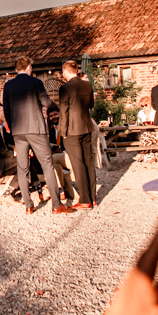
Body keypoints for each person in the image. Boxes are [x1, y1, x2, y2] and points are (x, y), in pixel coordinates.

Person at [2, 55, 76, 215]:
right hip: (36, 129)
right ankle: (56, 205)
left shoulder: (8, 85)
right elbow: (47, 103)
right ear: (29, 68)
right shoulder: (36, 82)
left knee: (22, 168)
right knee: (48, 164)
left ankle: (29, 205)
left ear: (16, 70)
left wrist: (14, 125)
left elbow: (6, 111)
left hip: (19, 131)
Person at [58, 59, 96, 207]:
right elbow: (91, 104)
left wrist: (62, 131)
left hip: (72, 130)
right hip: (86, 127)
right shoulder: (87, 85)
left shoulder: (65, 88)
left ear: (66, 71)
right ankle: (93, 197)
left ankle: (85, 200)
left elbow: (63, 111)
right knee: (89, 163)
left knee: (78, 164)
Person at [135, 96, 158, 162]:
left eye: (146, 105)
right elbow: (138, 124)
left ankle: (141, 153)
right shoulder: (140, 113)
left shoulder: (155, 112)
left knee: (146, 136)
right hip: (145, 132)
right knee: (146, 135)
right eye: (142, 106)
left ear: (150, 104)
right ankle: (153, 157)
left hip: (156, 132)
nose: (144, 107)